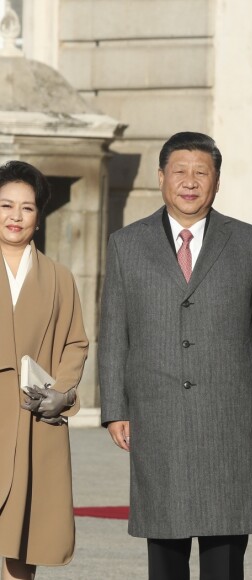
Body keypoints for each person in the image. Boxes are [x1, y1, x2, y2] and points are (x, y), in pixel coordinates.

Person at [98, 132, 252, 580]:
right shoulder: (127, 244)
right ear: (161, 177)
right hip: (156, 416)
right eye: (179, 171)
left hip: (229, 418)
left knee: (224, 550)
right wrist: (114, 409)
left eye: (201, 172)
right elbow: (113, 333)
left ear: (216, 181)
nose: (190, 181)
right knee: (164, 548)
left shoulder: (247, 244)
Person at [0, 161, 88, 580]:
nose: (15, 216)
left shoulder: (58, 278)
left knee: (24, 535)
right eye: (5, 205)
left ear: (39, 215)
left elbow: (75, 341)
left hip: (32, 415)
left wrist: (64, 392)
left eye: (27, 208)